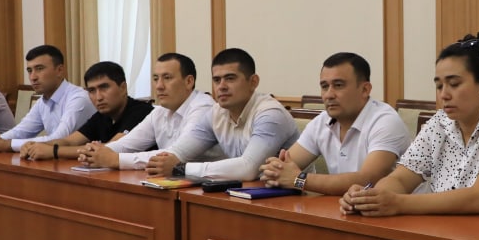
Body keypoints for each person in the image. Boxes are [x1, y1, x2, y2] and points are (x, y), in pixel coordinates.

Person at [340, 32, 479, 219]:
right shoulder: (439, 123)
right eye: (439, 86)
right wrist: (370, 198)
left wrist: (398, 203)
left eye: (454, 84)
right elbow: (401, 178)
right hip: (448, 228)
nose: (444, 95)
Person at [115, 48, 297, 180]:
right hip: (247, 193)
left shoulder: (270, 114)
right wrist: (113, 158)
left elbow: (248, 168)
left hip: (295, 198)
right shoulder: (215, 113)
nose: (222, 86)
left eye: (230, 78)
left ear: (253, 82)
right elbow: (177, 153)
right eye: (217, 80)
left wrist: (180, 169)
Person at [259, 52, 411, 195]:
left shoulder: (385, 121)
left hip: (398, 211)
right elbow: (283, 168)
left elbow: (368, 180)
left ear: (365, 89)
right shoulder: (321, 121)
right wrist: (275, 171)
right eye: (324, 86)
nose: (329, 95)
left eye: (338, 85)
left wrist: (299, 180)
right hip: (342, 206)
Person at [75, 53, 216, 170]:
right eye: (155, 79)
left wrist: (116, 159)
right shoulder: (160, 112)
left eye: (167, 78)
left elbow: (174, 155)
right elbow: (127, 144)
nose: (159, 86)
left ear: (189, 81)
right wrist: (94, 153)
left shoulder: (203, 108)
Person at [19, 61, 154, 161]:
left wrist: (53, 151)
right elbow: (69, 141)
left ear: (123, 88)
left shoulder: (142, 112)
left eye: (104, 88)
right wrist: (35, 146)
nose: (98, 97)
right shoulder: (102, 116)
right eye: (92, 90)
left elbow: (110, 148)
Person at [0, 45, 92, 153]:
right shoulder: (42, 101)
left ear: (59, 70)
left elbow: (59, 139)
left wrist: (6, 144)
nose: (33, 77)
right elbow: (21, 131)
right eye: (29, 71)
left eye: (39, 69)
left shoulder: (78, 98)